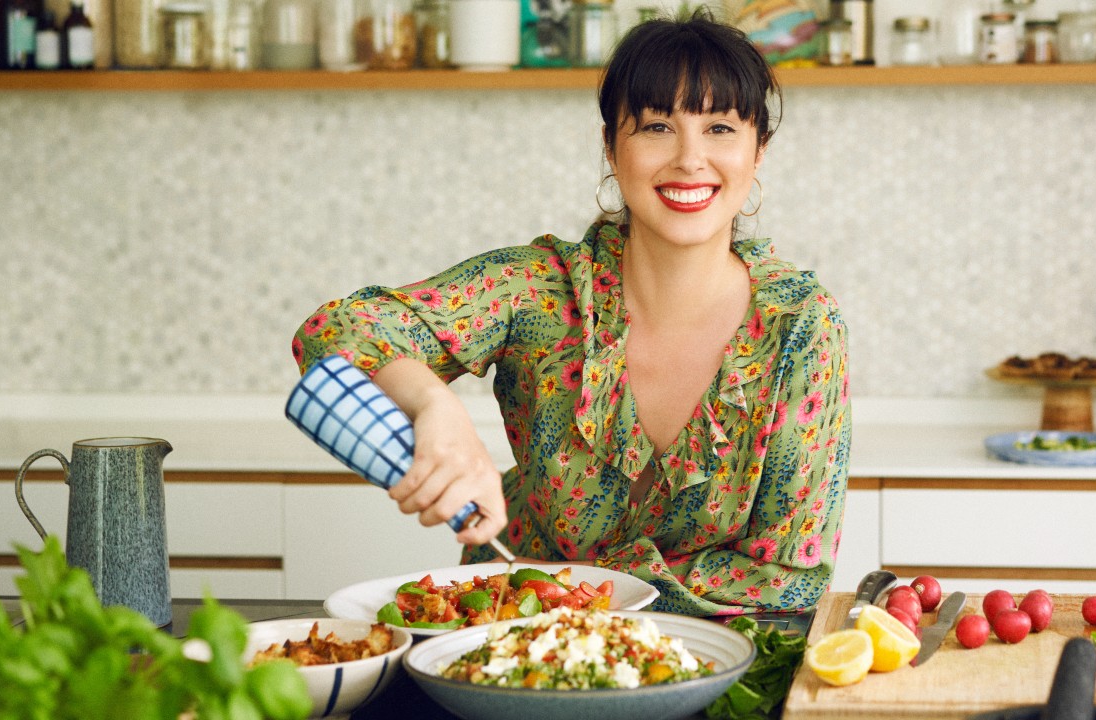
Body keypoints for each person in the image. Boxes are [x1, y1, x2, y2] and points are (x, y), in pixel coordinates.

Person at [292, 10, 851, 616]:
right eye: (657, 126)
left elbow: (789, 576)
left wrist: (596, 595)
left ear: (758, 149)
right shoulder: (539, 290)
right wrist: (433, 403)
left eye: (719, 128)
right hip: (507, 642)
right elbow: (335, 331)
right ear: (611, 146)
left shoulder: (801, 327)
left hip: (711, 661)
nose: (690, 159)